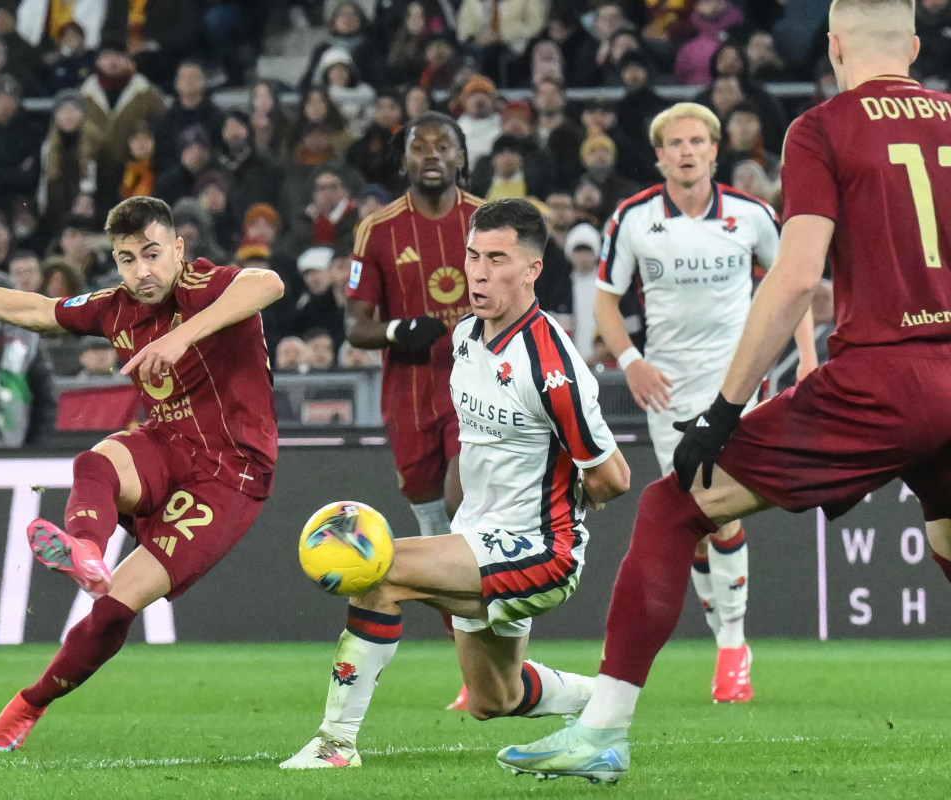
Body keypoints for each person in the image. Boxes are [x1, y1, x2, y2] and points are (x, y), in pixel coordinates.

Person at [498, 0, 951, 783]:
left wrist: (725, 409)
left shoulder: (822, 128)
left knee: (671, 506)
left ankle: (602, 730)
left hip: (882, 379)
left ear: (834, 48)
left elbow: (796, 277)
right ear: (913, 46)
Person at [0, 195, 284, 751]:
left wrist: (181, 336)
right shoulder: (115, 308)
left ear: (178, 249)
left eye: (152, 254)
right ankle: (86, 552)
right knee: (95, 461)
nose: (141, 271)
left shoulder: (205, 285)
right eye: (127, 259)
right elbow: (35, 310)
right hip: (169, 443)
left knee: (114, 609)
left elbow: (268, 283)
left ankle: (26, 707)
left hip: (231, 471)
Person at [281, 198, 630, 769]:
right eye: (473, 256)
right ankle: (605, 705)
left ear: (533, 270)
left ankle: (334, 744)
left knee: (377, 569)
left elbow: (613, 477)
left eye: (497, 258)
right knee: (496, 698)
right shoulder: (466, 335)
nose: (479, 273)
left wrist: (553, 504)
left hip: (540, 549)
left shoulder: (551, 366)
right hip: (477, 534)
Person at [593, 102, 819, 704]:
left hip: (737, 385)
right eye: (676, 143)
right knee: (691, 523)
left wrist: (806, 360)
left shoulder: (751, 215)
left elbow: (792, 285)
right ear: (659, 154)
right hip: (666, 388)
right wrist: (630, 361)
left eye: (697, 141)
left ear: (715, 151)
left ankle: (732, 648)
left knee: (723, 511)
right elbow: (606, 300)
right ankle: (727, 641)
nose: (687, 151)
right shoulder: (634, 218)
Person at [344, 111, 481, 709]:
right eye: (419, 146)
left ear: (461, 158)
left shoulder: (487, 221)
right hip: (410, 395)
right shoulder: (377, 231)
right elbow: (356, 326)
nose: (431, 154)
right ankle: (473, 663)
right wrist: (400, 329)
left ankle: (491, 661)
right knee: (434, 532)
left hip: (476, 389)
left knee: (461, 505)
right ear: (403, 161)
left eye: (443, 145)